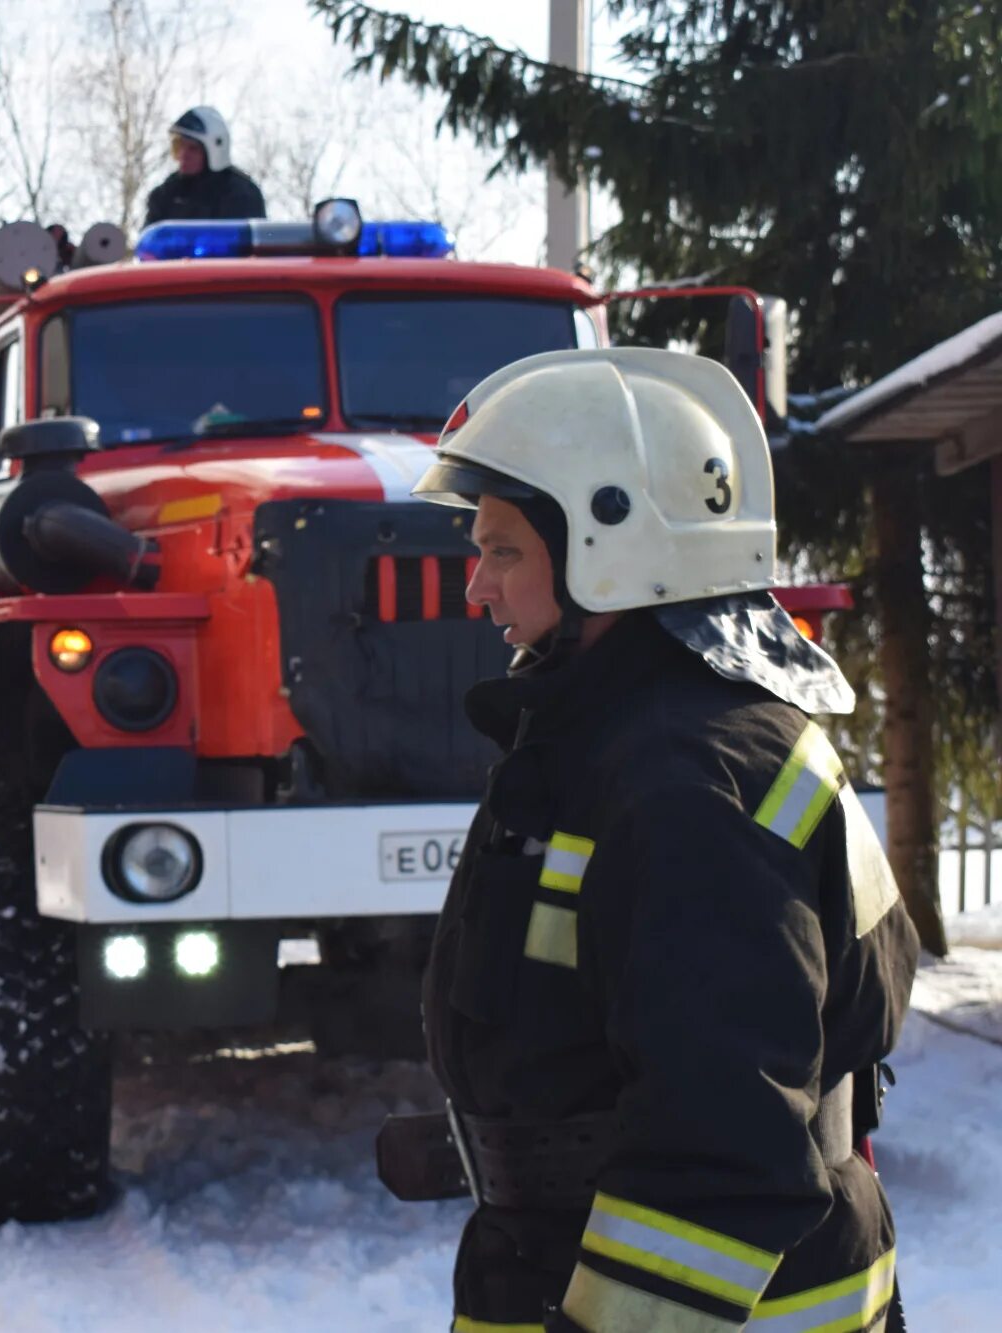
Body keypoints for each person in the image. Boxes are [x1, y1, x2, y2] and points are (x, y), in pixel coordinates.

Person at [408, 348, 917, 1333]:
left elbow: (721, 1149)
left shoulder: (682, 785)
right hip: (574, 1267)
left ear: (609, 546)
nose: (475, 589)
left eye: (502, 550)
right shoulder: (628, 742)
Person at [143, 105, 266, 225]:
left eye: (193, 148)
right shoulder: (165, 195)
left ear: (213, 152)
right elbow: (148, 242)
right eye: (179, 146)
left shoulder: (243, 195)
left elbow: (255, 241)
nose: (183, 155)